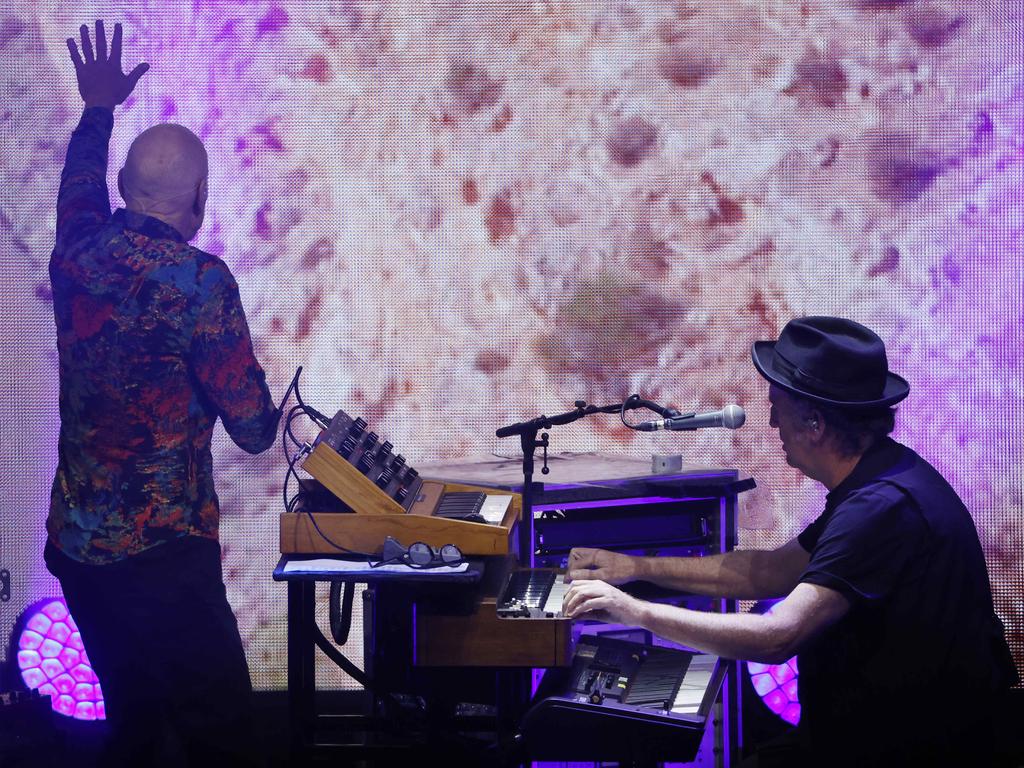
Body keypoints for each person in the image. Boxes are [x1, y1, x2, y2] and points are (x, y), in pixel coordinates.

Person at [564, 316, 1017, 767]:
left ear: (815, 422)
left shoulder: (881, 507)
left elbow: (777, 638)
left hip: (918, 751)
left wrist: (633, 610)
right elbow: (770, 571)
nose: (771, 419)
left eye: (777, 404)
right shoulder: (880, 478)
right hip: (872, 738)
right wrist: (634, 567)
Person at [43, 21, 280, 766]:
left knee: (135, 732)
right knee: (225, 741)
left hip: (80, 552)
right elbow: (252, 428)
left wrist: (98, 108)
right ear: (201, 199)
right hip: (164, 556)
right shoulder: (200, 284)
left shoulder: (76, 250)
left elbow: (78, 183)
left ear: (122, 190)